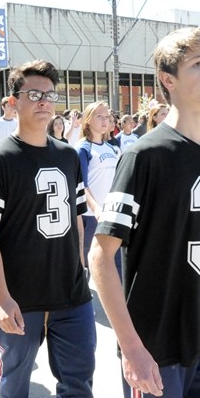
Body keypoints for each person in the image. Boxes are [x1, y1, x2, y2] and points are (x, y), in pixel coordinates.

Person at [90, 27, 200, 398]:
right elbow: (100, 256)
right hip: (155, 341)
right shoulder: (144, 155)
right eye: (199, 64)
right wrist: (131, 346)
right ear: (167, 80)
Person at [0, 60, 95, 398]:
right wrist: (2, 299)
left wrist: (80, 265)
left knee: (78, 382)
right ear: (13, 102)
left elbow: (78, 218)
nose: (44, 101)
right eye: (34, 94)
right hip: (20, 295)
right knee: (15, 376)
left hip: (71, 293)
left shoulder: (68, 155)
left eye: (49, 95)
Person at [76, 101, 120, 277]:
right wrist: (96, 209)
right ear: (87, 120)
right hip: (90, 215)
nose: (104, 121)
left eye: (106, 117)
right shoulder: (83, 148)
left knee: (111, 260)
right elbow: (82, 184)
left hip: (111, 212)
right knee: (88, 260)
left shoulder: (111, 147)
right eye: (99, 116)